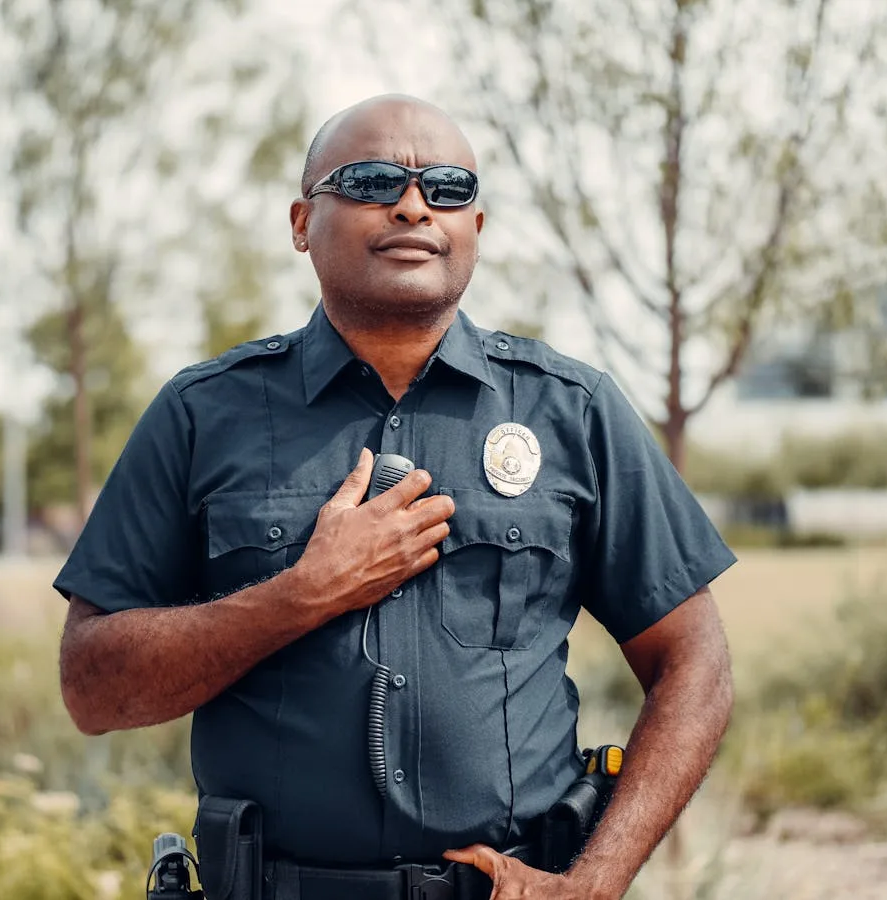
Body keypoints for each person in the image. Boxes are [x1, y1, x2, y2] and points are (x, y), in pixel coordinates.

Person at [55, 94, 736, 899]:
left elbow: (695, 662)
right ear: (302, 222)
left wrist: (595, 881)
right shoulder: (203, 414)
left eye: (447, 188)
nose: (414, 205)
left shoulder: (571, 411)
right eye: (375, 181)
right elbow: (92, 687)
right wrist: (299, 596)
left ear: (475, 229)